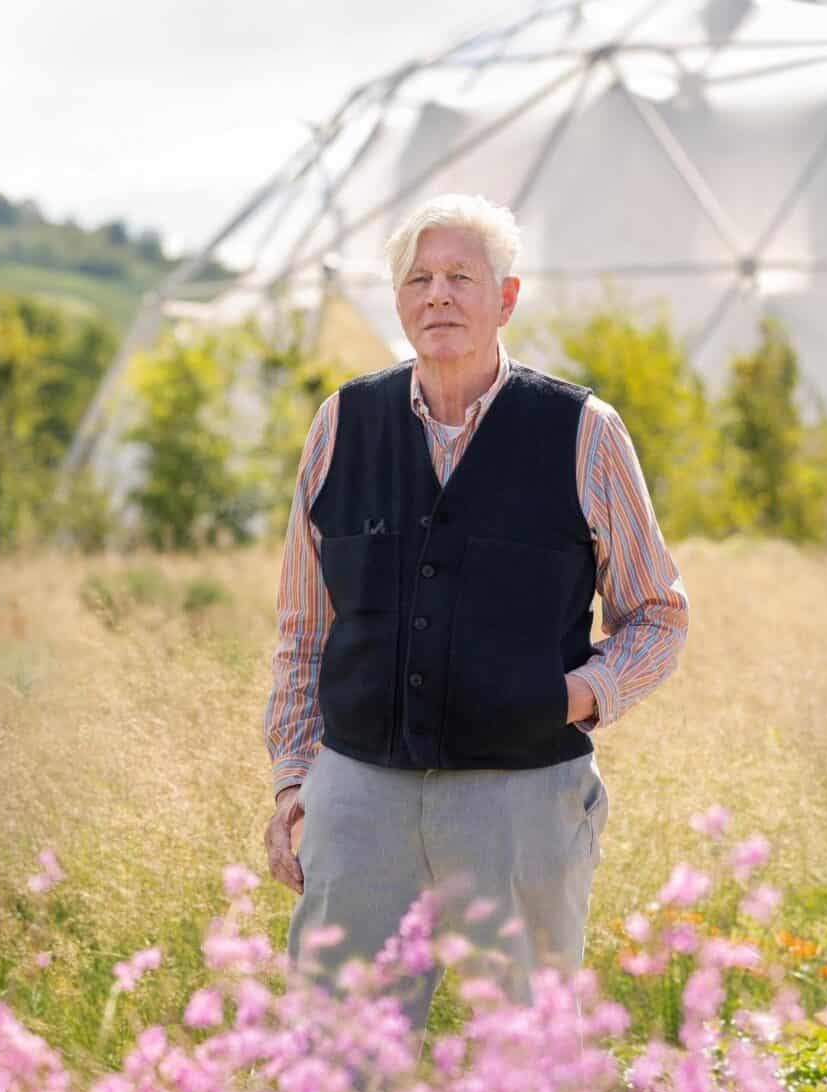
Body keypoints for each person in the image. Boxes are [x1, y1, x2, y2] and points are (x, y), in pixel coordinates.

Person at [263, 192, 688, 1043]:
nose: (438, 295)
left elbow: (657, 615)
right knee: (336, 1067)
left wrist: (571, 697)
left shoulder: (582, 431)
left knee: (526, 1071)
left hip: (521, 800)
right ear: (398, 300)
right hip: (357, 800)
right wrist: (292, 780)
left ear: (507, 296)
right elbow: (303, 632)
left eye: (462, 276)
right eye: (418, 278)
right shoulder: (343, 422)